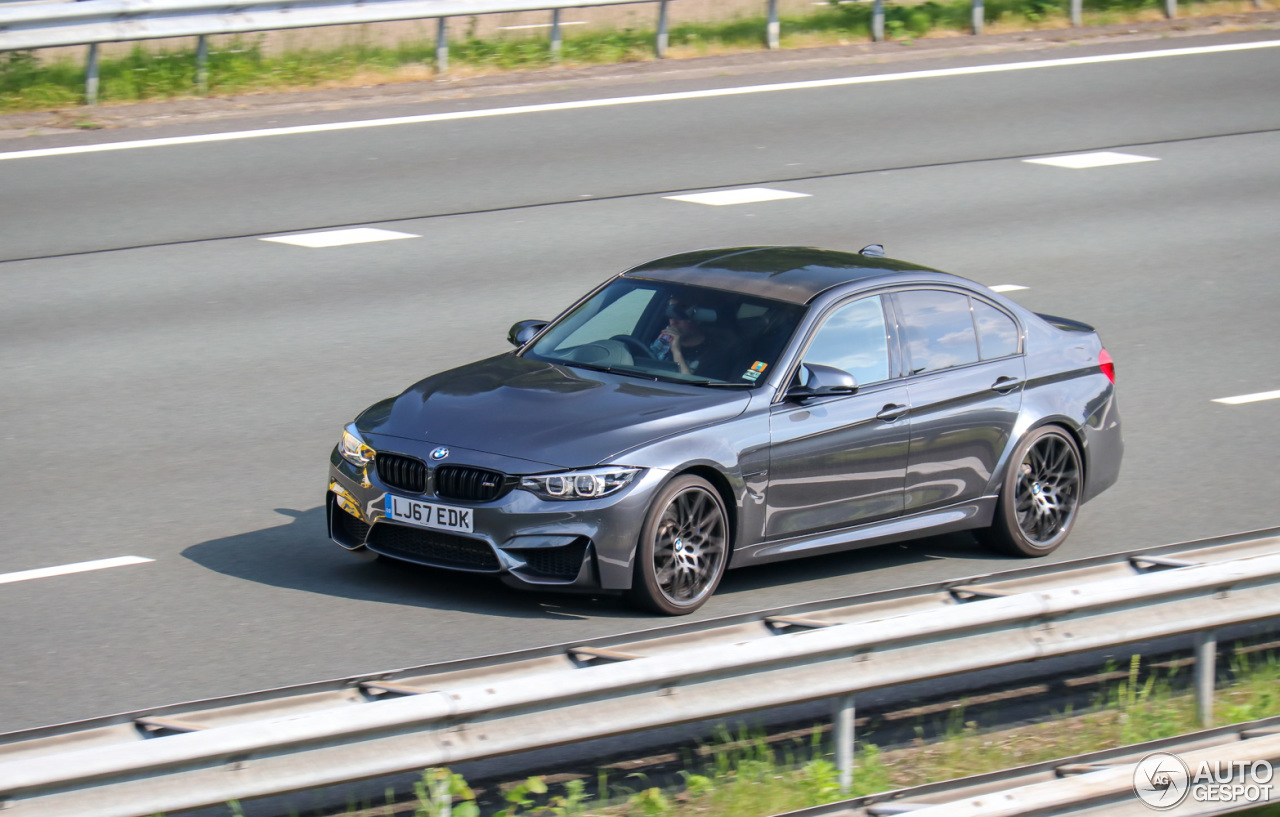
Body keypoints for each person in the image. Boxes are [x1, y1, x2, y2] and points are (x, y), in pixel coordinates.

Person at [650, 298, 731, 378]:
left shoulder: (715, 355)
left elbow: (693, 388)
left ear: (698, 320)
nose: (673, 322)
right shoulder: (662, 342)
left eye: (680, 316)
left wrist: (676, 352)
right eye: (670, 315)